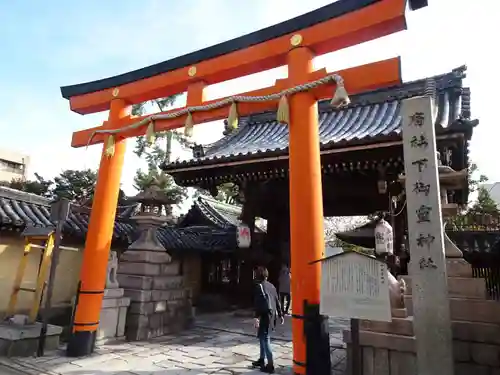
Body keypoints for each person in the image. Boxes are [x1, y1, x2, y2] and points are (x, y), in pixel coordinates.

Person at [252, 266, 283, 374]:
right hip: (272, 315)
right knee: (262, 337)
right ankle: (261, 360)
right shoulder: (272, 286)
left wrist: (256, 317)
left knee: (265, 338)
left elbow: (258, 303)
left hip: (265, 315)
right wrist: (281, 314)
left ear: (258, 275)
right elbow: (276, 299)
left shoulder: (259, 286)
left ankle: (270, 365)